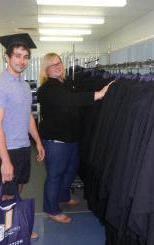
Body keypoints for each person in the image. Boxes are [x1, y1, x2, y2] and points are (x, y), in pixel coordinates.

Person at [37, 52, 114, 224]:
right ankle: (51, 209)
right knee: (55, 175)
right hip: (56, 141)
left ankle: (64, 196)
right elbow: (70, 100)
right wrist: (99, 94)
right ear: (46, 70)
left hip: (71, 138)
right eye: (52, 65)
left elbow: (79, 94)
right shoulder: (47, 89)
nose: (57, 66)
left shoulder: (66, 83)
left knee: (71, 170)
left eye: (59, 63)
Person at [0, 33, 45, 240]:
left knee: (17, 189)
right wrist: (5, 161)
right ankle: (7, 234)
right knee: (7, 194)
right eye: (17, 56)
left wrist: (37, 141)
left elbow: (27, 116)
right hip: (5, 150)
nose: (22, 61)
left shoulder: (25, 86)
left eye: (25, 56)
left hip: (22, 147)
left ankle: (16, 225)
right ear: (7, 57)